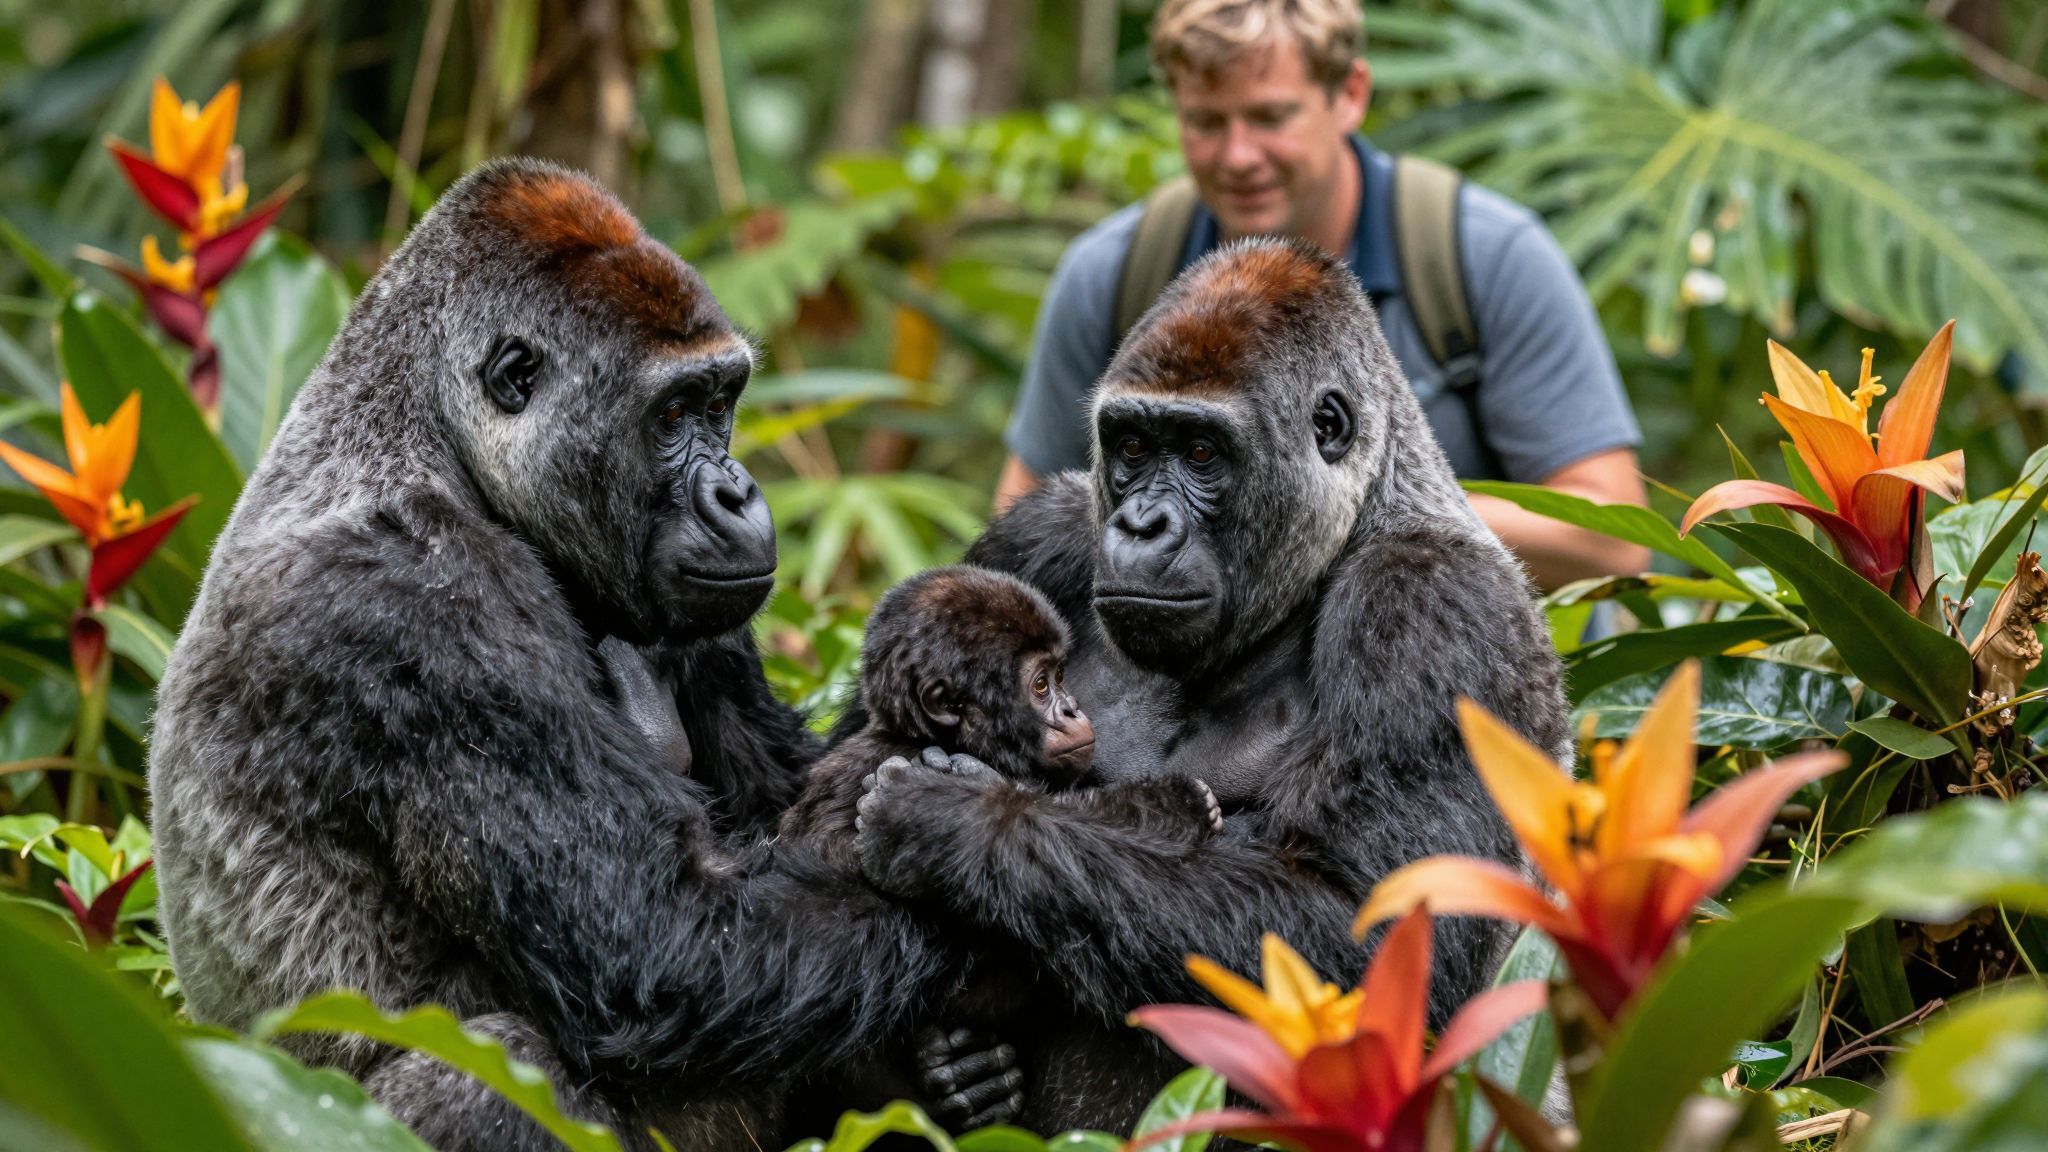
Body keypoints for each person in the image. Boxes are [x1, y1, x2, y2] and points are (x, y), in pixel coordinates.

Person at [996, 0, 1650, 590]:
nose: (1238, 155)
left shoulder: (1481, 257)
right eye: (1205, 122)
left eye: (1270, 116)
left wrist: (1326, 512)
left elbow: (1612, 538)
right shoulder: (1119, 275)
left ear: (1349, 94)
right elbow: (1021, 531)